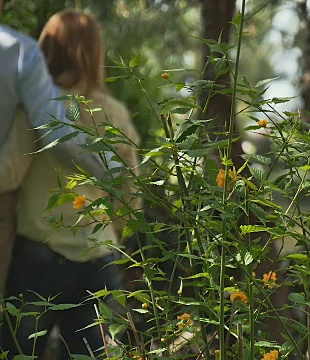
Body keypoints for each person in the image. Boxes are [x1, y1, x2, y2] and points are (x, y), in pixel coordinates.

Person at [0, 10, 141, 358]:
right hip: (99, 261)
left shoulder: (38, 108)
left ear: (46, 49)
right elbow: (132, 197)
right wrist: (110, 233)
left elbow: (8, 173)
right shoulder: (116, 114)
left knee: (17, 353)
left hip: (37, 259)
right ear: (96, 54)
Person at [0, 1, 114, 294]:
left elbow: (10, 171)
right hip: (97, 248)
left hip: (39, 244)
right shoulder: (114, 112)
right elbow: (130, 187)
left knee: (23, 339)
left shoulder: (31, 110)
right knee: (90, 340)